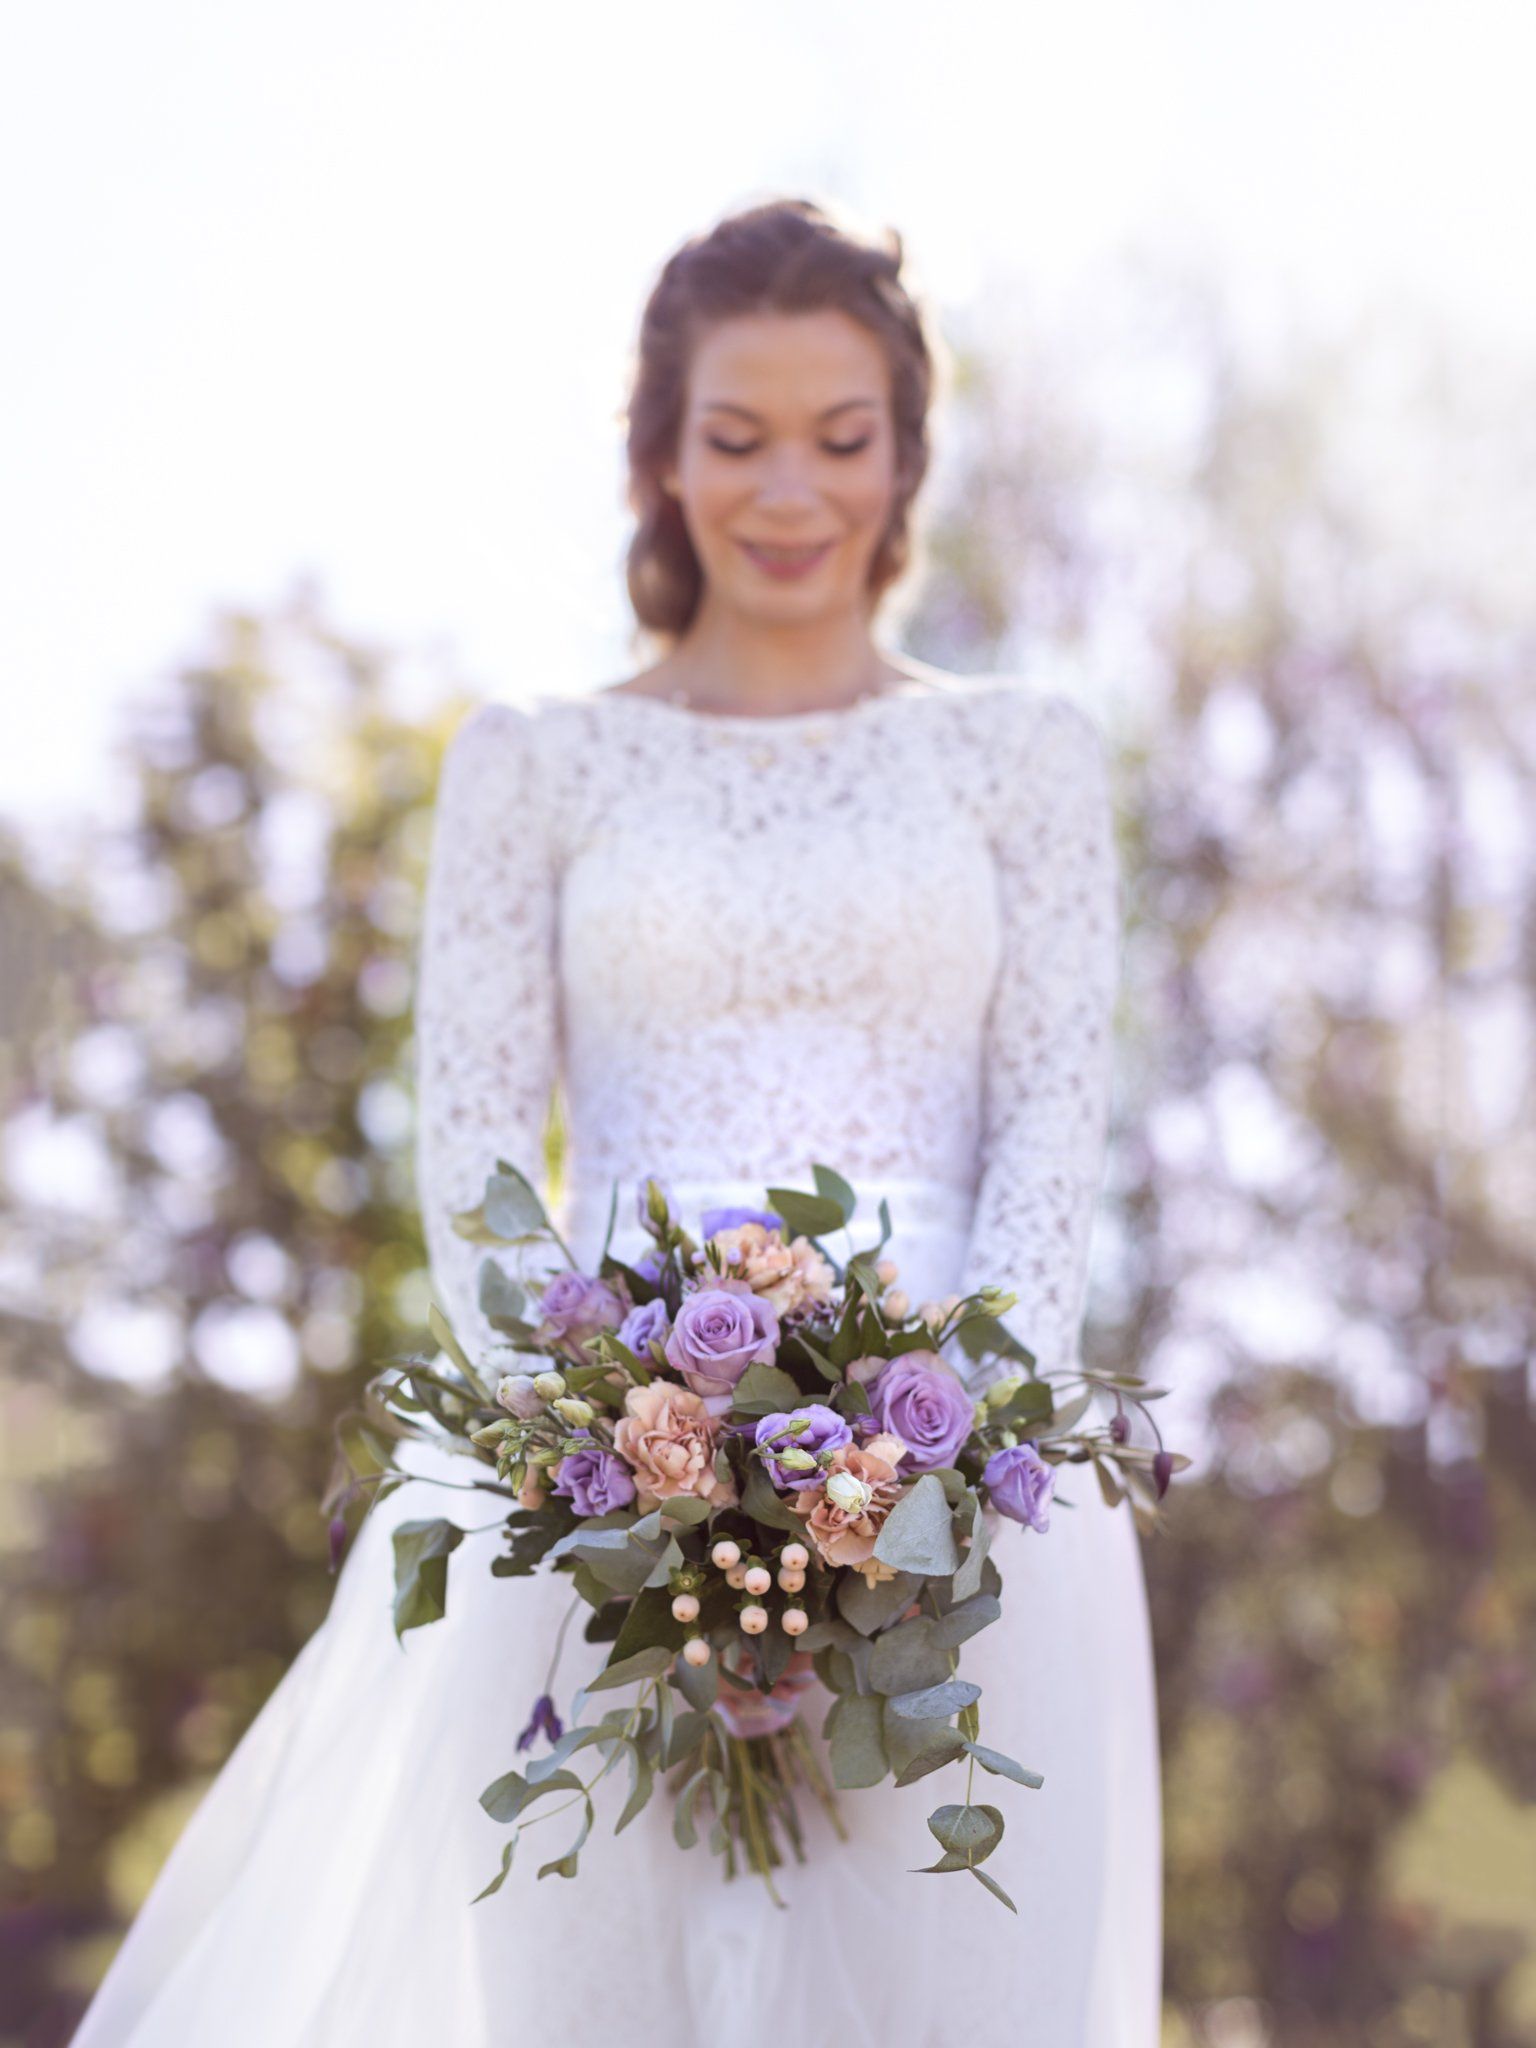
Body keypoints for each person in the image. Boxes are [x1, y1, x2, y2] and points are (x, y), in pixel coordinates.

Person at [69, 196, 1161, 2047]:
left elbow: (1056, 1120)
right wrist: (625, 1480)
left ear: (907, 453)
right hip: (586, 1496)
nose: (790, 491)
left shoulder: (1025, 759)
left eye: (840, 437)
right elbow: (485, 1159)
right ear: (660, 452)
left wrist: (930, 1481)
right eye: (737, 438)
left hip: (975, 1504)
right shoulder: (535, 763)